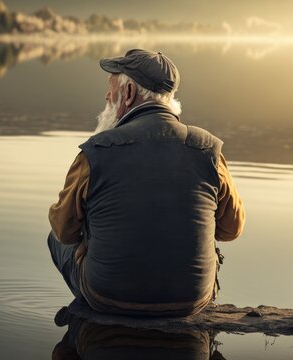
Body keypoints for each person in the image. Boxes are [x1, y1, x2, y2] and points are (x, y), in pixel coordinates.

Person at [47, 49, 245, 317]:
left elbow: (63, 231)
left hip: (107, 298)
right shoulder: (209, 150)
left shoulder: (95, 152)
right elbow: (231, 230)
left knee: (55, 239)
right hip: (190, 300)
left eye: (111, 88)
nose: (107, 96)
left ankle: (82, 335)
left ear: (128, 93)